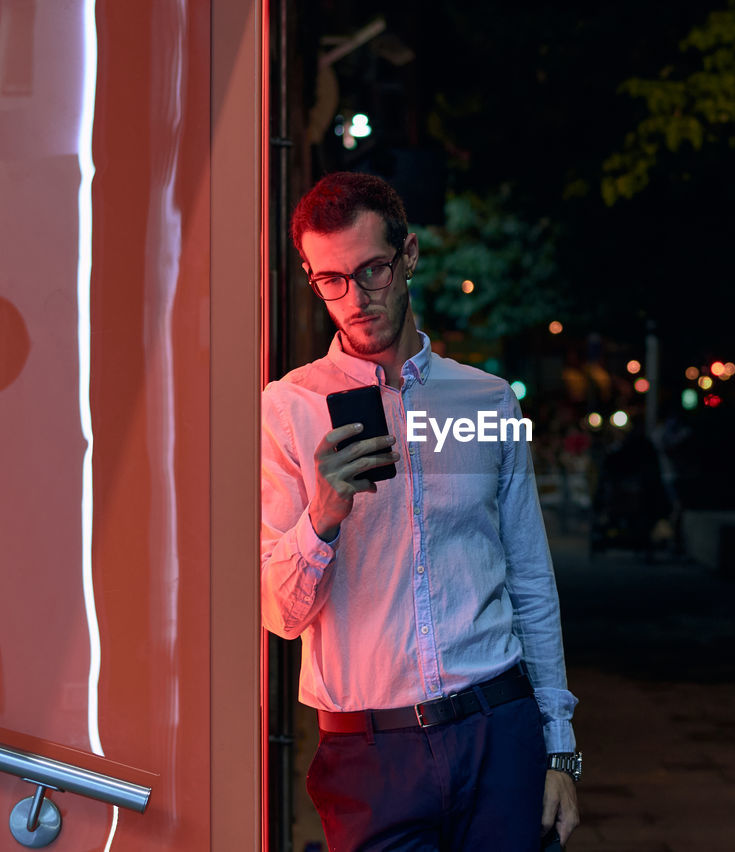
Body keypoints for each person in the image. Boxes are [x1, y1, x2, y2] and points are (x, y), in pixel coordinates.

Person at [261, 172, 581, 851]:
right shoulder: (288, 410)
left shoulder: (488, 402)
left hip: (499, 729)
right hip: (369, 754)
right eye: (331, 282)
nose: (355, 298)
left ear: (407, 256)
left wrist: (561, 753)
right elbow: (280, 616)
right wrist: (322, 515)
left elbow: (531, 581)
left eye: (371, 270)